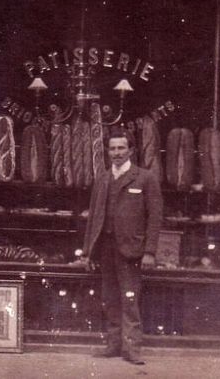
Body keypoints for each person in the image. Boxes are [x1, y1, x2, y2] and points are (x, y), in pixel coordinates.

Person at [79, 127, 162, 365]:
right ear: (108, 151)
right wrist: (88, 252)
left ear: (131, 150)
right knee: (109, 298)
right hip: (105, 248)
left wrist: (149, 251)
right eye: (112, 148)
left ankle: (132, 349)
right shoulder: (103, 178)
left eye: (121, 148)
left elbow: (155, 218)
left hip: (131, 250)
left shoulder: (145, 178)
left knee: (129, 299)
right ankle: (113, 345)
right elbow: (94, 216)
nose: (116, 153)